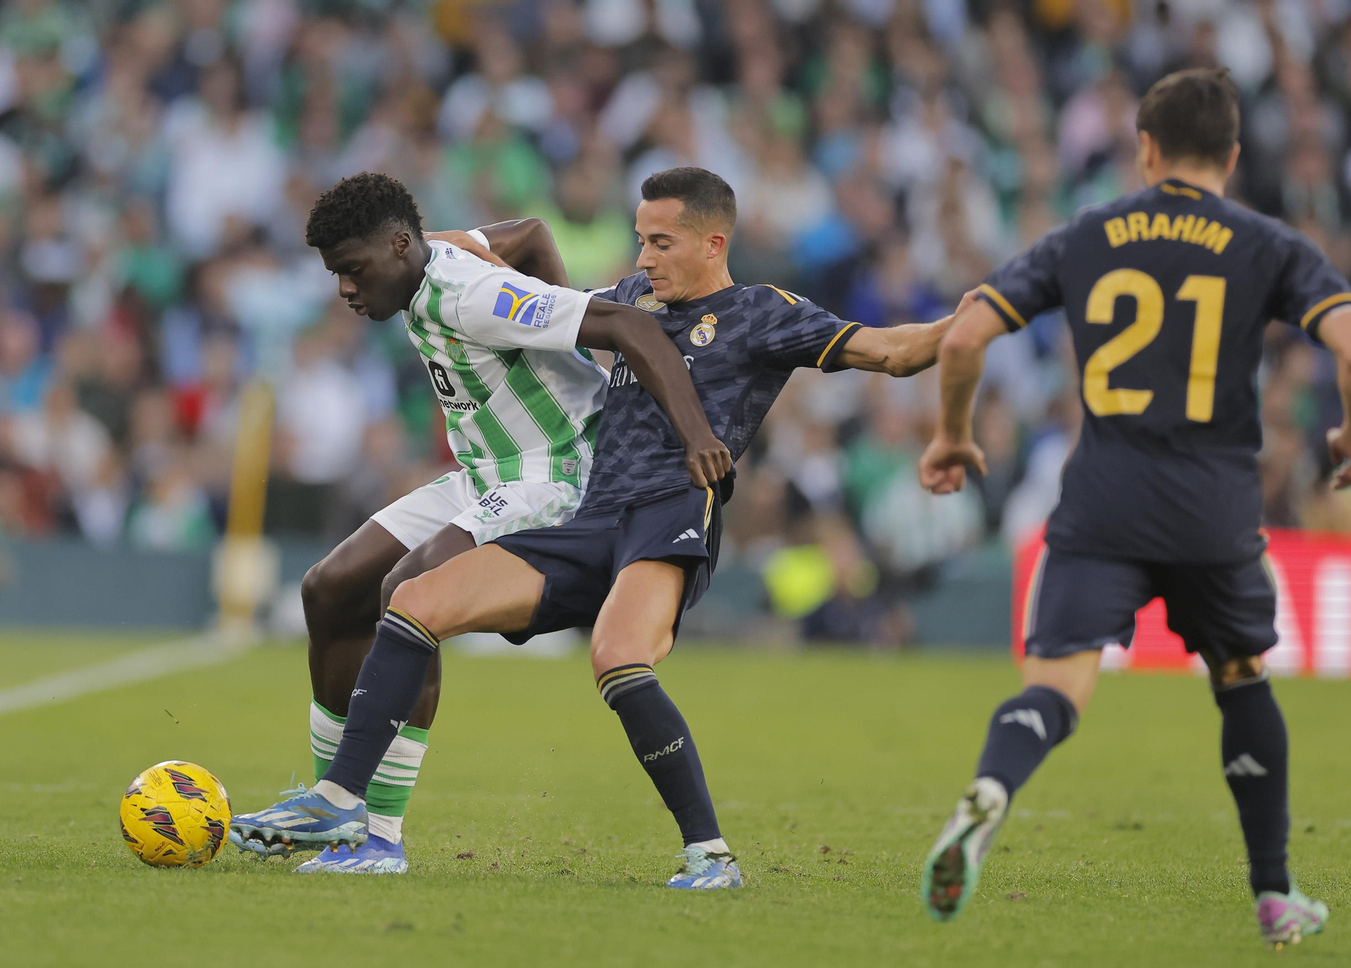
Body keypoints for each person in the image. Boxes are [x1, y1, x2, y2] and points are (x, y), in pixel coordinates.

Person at [236, 167, 953, 888]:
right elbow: (556, 294)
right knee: (415, 600)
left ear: (712, 242)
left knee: (616, 657)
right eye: (641, 240)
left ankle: (710, 854)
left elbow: (893, 351)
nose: (642, 258)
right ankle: (343, 807)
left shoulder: (761, 312)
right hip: (591, 510)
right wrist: (436, 248)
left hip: (669, 510)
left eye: (661, 242)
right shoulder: (634, 293)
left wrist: (988, 315)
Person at [915, 68, 1351, 946]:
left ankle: (991, 791)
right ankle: (1274, 896)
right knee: (1241, 679)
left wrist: (952, 435)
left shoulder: (1089, 234)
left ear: (1145, 147)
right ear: (1234, 156)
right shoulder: (1265, 242)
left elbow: (969, 329)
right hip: (1214, 506)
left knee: (1054, 688)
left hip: (1102, 499)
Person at [228, 171, 731, 874]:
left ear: (398, 246)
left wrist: (692, 430)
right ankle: (329, 811)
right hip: (483, 470)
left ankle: (376, 835)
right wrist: (561, 330)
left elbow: (629, 323)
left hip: (548, 471)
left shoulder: (477, 295)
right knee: (329, 587)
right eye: (336, 273)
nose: (344, 289)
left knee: (411, 588)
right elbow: (530, 233)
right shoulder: (428, 254)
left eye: (352, 270)